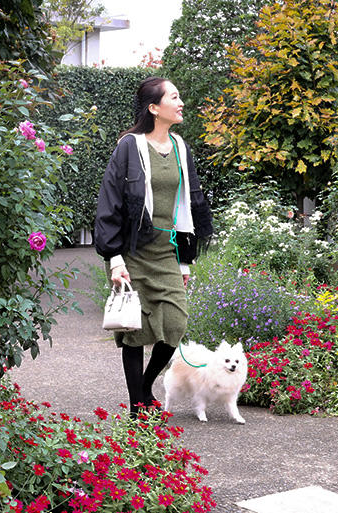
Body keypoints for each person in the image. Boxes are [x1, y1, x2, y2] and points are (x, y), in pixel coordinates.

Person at [94, 77, 213, 415]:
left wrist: (184, 261)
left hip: (166, 250)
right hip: (131, 251)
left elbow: (189, 205)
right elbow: (110, 203)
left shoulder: (180, 147)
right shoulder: (129, 147)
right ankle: (137, 408)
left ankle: (146, 385)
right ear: (154, 107)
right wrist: (115, 259)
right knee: (134, 330)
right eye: (174, 97)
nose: (181, 103)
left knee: (176, 324)